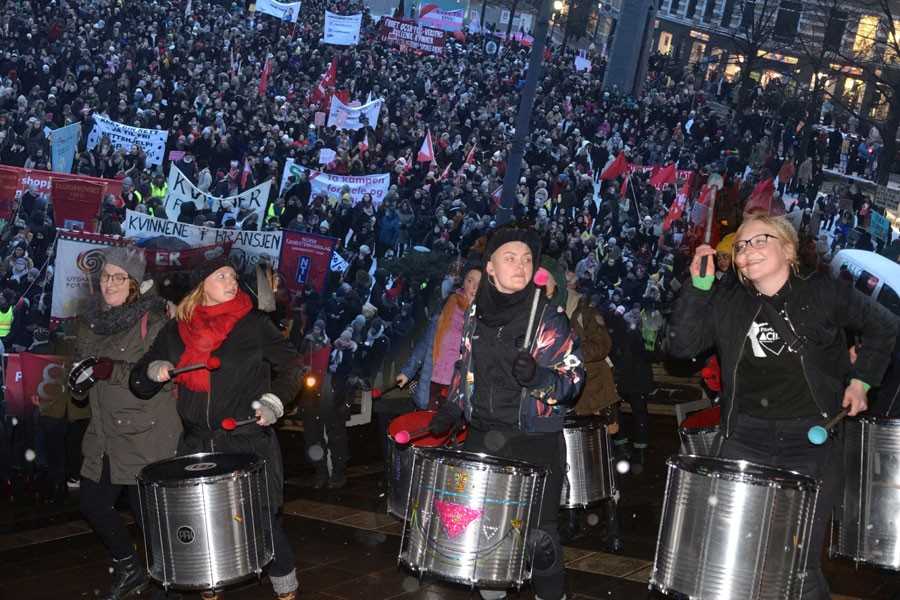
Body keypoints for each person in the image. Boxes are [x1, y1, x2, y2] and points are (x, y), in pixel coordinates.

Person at [667, 212, 899, 599]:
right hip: (744, 437)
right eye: (741, 245)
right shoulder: (728, 301)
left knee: (795, 563)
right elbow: (681, 346)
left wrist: (861, 382)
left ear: (788, 251)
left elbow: (884, 326)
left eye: (760, 240)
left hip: (810, 441)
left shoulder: (823, 291)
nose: (748, 250)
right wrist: (699, 286)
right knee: (737, 556)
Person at [130, 254, 301, 600]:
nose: (232, 281)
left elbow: (293, 366)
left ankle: (286, 587)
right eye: (222, 276)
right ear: (201, 286)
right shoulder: (176, 331)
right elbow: (139, 379)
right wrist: (155, 369)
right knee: (206, 526)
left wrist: (274, 401)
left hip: (247, 442)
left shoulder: (252, 324)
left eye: (233, 276)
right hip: (198, 444)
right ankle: (212, 585)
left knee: (262, 521)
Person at [428, 225, 585, 600]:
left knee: (539, 538)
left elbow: (574, 377)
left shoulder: (548, 316)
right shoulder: (476, 314)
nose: (521, 265)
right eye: (510, 258)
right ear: (491, 269)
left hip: (534, 440)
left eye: (527, 259)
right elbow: (465, 368)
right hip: (483, 435)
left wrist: (540, 377)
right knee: (484, 535)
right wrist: (453, 406)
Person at [73, 246, 182, 600]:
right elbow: (83, 364)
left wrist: (109, 370)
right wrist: (78, 382)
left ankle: (168, 586)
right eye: (105, 275)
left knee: (149, 519)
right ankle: (129, 567)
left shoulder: (154, 320)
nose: (110, 283)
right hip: (104, 432)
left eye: (119, 277)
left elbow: (153, 374)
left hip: (145, 433)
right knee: (92, 503)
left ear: (135, 283)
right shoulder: (90, 318)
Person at [539, 259, 624, 553]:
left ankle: (613, 528)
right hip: (560, 398)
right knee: (564, 462)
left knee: (603, 464)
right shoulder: (534, 311)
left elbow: (603, 344)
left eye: (545, 278)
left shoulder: (580, 306)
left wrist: (569, 354)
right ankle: (573, 522)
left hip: (594, 396)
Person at [396, 264, 483, 411]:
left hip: (458, 386)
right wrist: (407, 372)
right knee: (426, 425)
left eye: (479, 284)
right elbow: (426, 341)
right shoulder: (445, 306)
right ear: (463, 282)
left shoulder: (485, 316)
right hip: (432, 380)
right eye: (470, 281)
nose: (474, 287)